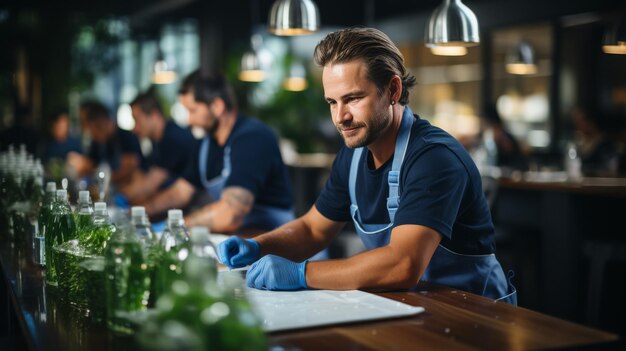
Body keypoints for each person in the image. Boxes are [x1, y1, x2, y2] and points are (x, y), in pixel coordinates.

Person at [217, 27, 516, 304]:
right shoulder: (354, 154)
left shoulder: (433, 158)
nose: (340, 117)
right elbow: (312, 230)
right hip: (410, 307)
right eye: (332, 102)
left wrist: (301, 274)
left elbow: (403, 263)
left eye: (353, 98)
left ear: (393, 90)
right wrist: (258, 247)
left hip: (474, 315)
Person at [143, 72, 295, 233]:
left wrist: (175, 226)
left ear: (217, 106)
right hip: (242, 239)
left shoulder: (252, 139)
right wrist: (139, 213)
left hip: (280, 243)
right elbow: (180, 192)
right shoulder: (206, 146)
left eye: (192, 111)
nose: (189, 120)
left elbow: (232, 213)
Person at [119, 89, 198, 204]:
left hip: (192, 206)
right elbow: (142, 177)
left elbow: (150, 185)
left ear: (154, 115)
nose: (135, 129)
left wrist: (117, 198)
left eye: (137, 120)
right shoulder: (157, 141)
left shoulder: (172, 138)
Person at [67, 101, 146, 186]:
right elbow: (90, 164)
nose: (92, 135)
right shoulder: (98, 142)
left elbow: (131, 167)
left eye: (92, 130)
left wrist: (106, 178)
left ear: (101, 123)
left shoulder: (126, 137)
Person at [571, 105, 618, 176]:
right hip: (584, 184)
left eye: (580, 122)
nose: (578, 127)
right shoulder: (581, 142)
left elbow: (610, 169)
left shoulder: (605, 144)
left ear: (591, 123)